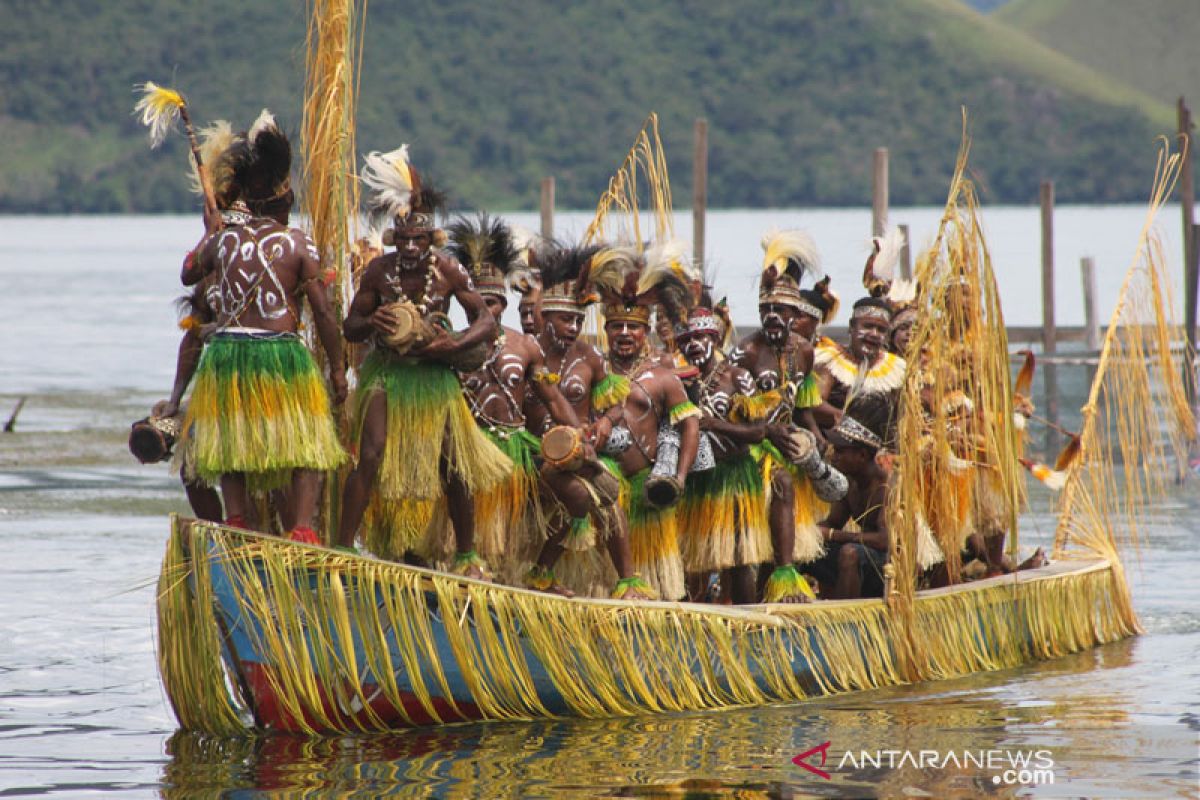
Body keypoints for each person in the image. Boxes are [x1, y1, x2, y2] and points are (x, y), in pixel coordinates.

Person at [171, 110, 347, 542]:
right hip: (280, 353)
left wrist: (210, 233)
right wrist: (339, 369)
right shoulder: (297, 242)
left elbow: (189, 272)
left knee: (231, 443)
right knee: (308, 444)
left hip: (228, 354)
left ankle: (236, 523)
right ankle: (302, 530)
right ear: (283, 200)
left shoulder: (224, 240)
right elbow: (323, 314)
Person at [336, 146, 511, 578]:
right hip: (389, 374)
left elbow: (485, 321)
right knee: (371, 454)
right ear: (394, 239)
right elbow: (350, 327)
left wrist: (452, 347)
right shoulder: (378, 272)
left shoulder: (448, 269)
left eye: (420, 240)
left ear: (430, 239)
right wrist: (372, 320)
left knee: (453, 462)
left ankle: (467, 555)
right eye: (405, 241)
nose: (412, 248)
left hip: (435, 376)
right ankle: (341, 546)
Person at [446, 213, 580, 575]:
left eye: (491, 303)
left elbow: (553, 398)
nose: (484, 312)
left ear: (503, 305)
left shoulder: (525, 348)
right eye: (477, 304)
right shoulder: (451, 347)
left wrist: (581, 439)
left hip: (516, 449)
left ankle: (538, 574)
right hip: (470, 449)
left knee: (576, 497)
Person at [524, 241, 654, 600]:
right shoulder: (528, 353)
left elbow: (615, 405)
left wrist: (605, 425)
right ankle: (539, 572)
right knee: (581, 496)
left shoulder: (591, 357)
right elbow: (537, 401)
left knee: (608, 495)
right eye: (567, 320)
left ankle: (627, 582)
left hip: (582, 452)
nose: (574, 327)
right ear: (545, 316)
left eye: (579, 321)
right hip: (535, 452)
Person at [582, 241, 702, 601]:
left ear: (644, 331)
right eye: (615, 325)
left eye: (631, 327)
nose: (623, 333)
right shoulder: (592, 368)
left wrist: (677, 478)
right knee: (598, 584)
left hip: (647, 490)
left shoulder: (661, 376)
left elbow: (691, 426)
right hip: (602, 491)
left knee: (655, 587)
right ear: (606, 329)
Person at [676, 303, 817, 604]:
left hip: (734, 476)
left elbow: (758, 432)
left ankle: (748, 619)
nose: (693, 346)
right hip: (697, 480)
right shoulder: (677, 380)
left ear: (713, 339)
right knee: (693, 561)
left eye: (699, 338)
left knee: (738, 559)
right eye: (686, 341)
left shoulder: (737, 377)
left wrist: (715, 424)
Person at [730, 230, 833, 573]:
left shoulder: (803, 351)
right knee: (777, 488)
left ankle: (783, 583)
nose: (773, 316)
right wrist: (763, 433)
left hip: (786, 443)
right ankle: (761, 589)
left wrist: (815, 433)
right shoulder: (746, 352)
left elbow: (801, 403)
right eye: (766, 309)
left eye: (781, 309)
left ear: (795, 313)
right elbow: (729, 415)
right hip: (747, 448)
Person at [807, 399, 893, 600]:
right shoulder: (850, 484)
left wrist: (833, 535)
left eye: (840, 452)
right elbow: (832, 523)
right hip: (864, 560)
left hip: (892, 569)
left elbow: (885, 540)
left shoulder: (891, 487)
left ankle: (843, 622)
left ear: (862, 455)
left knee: (849, 554)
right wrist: (807, 534)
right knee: (809, 546)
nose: (833, 456)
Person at [812, 296, 906, 429]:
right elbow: (815, 404)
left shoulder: (896, 368)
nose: (874, 334)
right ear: (851, 327)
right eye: (867, 326)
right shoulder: (830, 359)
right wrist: (852, 424)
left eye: (881, 330)